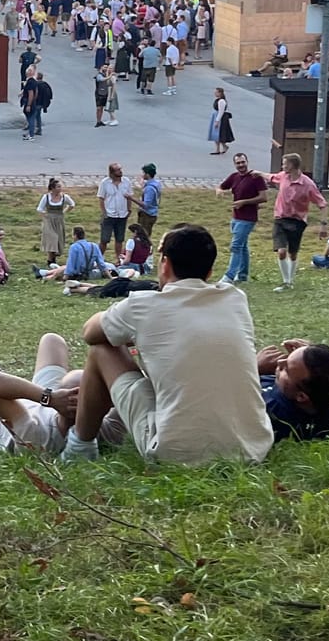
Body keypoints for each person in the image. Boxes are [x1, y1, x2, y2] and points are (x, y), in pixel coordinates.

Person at [63, 223, 274, 465]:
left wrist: (133, 330)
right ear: (209, 270)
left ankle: (79, 447)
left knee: (101, 349)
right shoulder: (235, 299)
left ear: (165, 263)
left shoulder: (141, 306)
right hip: (252, 449)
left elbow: (90, 332)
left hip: (175, 453)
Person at [255, 340, 329, 442]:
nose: (279, 362)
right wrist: (322, 363)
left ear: (301, 396)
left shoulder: (268, 412)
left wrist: (254, 369)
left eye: (286, 369)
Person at [266, 154, 327, 292]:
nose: (282, 167)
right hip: (280, 219)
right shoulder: (283, 176)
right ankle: (286, 282)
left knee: (293, 254)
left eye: (285, 164)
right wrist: (256, 173)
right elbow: (271, 176)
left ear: (292, 165)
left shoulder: (308, 184)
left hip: (297, 221)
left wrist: (323, 225)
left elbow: (322, 204)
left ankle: (291, 280)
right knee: (281, 251)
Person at [218, 153, 269, 283]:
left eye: (243, 162)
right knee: (243, 246)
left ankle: (229, 276)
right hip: (236, 216)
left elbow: (263, 197)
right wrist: (219, 190)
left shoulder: (255, 177)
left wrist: (244, 202)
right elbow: (222, 186)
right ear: (235, 164)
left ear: (247, 162)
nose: (241, 165)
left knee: (236, 246)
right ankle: (242, 275)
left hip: (248, 218)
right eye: (238, 163)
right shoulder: (234, 177)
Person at [35, 226, 109, 283]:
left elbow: (71, 264)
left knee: (63, 269)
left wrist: (65, 278)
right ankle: (42, 273)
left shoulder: (74, 247)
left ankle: (45, 277)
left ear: (75, 236)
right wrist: (110, 277)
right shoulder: (94, 246)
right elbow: (101, 264)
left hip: (78, 275)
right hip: (89, 273)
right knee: (64, 267)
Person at [37, 178, 76, 266]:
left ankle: (53, 259)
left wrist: (64, 212)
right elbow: (39, 209)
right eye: (58, 187)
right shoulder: (46, 197)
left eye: (60, 186)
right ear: (53, 188)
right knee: (52, 239)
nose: (60, 188)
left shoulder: (64, 197)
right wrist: (46, 216)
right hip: (49, 221)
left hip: (59, 220)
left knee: (58, 240)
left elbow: (72, 204)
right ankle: (50, 260)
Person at [96, 163, 133, 252]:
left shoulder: (126, 181)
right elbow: (101, 198)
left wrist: (129, 209)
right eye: (118, 170)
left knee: (119, 239)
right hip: (109, 215)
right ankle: (99, 258)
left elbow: (129, 197)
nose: (120, 171)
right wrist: (104, 213)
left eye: (120, 169)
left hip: (122, 215)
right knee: (104, 239)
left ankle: (118, 259)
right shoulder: (105, 183)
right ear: (112, 172)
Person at [136, 164, 161, 236]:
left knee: (143, 236)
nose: (142, 174)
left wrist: (131, 198)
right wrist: (141, 183)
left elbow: (145, 205)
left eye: (143, 173)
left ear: (147, 174)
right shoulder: (156, 183)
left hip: (146, 215)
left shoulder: (149, 188)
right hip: (153, 213)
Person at [209, 87, 234, 155]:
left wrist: (217, 121)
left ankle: (219, 149)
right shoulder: (218, 100)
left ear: (220, 93)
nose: (215, 93)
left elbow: (221, 112)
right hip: (218, 117)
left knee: (218, 134)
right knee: (217, 134)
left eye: (216, 92)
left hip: (221, 119)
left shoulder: (221, 101)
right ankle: (223, 147)